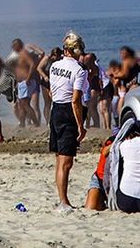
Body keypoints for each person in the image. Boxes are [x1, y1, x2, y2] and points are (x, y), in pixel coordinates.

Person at [49, 32, 89, 210]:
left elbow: (52, 91)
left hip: (55, 109)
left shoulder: (54, 66)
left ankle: (62, 199)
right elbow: (76, 100)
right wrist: (81, 126)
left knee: (61, 159)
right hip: (67, 111)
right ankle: (63, 201)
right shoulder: (79, 70)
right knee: (66, 162)